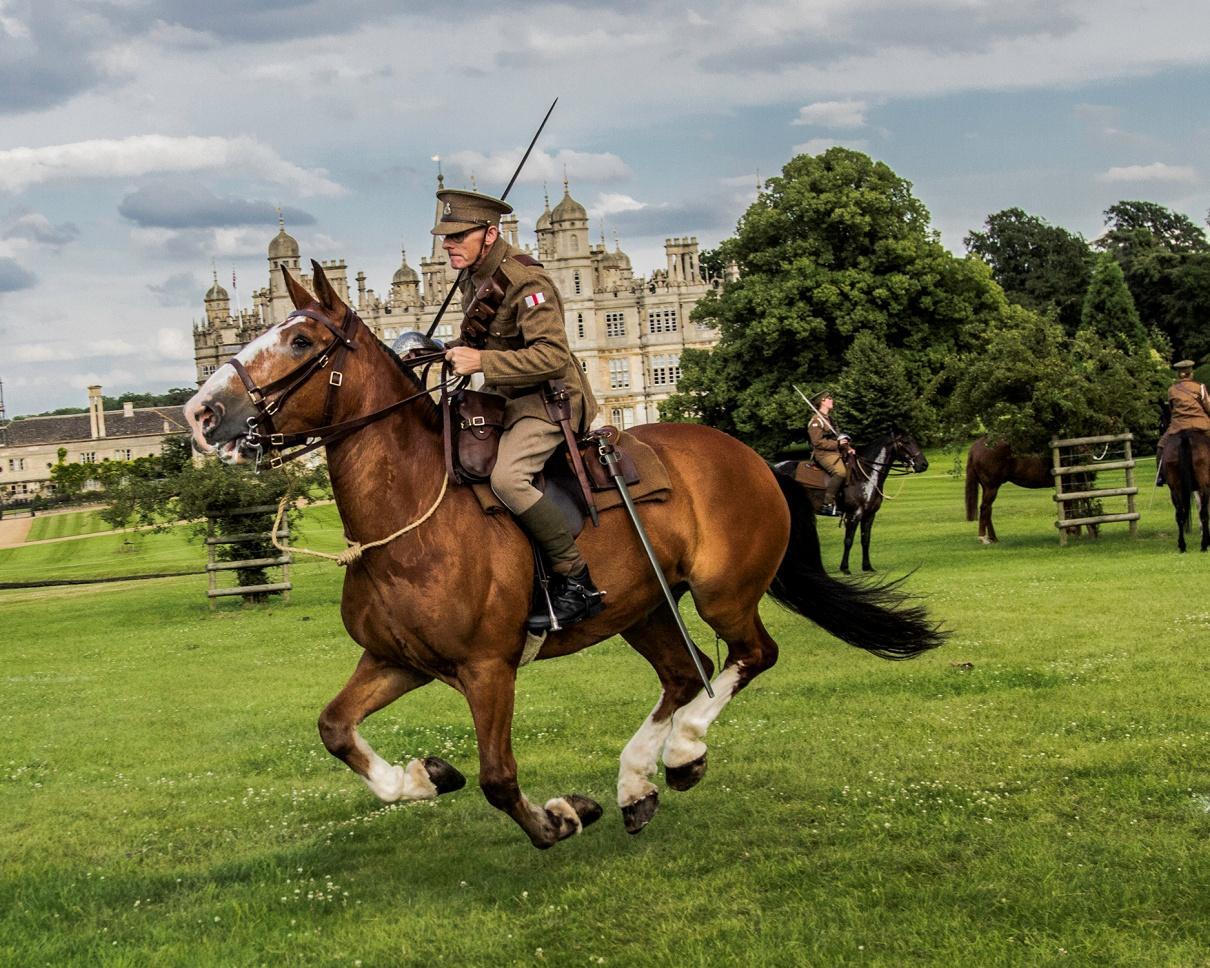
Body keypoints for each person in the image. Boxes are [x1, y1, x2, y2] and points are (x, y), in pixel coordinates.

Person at [435, 188, 603, 631]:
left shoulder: (526, 281)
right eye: (444, 237)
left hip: (551, 400)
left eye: (458, 237)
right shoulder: (472, 276)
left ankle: (575, 579)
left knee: (507, 478)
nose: (448, 245)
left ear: (489, 234)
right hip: (506, 398)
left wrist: (482, 362)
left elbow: (552, 355)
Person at [1156, 359, 1210, 484]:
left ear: (1178, 373)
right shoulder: (1200, 387)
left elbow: (1171, 409)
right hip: (1201, 424)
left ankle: (1161, 476)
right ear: (1191, 373)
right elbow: (1207, 406)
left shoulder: (1172, 390)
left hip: (1177, 426)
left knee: (1161, 447)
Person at [807, 393, 852, 517]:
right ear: (822, 401)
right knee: (840, 472)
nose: (832, 401)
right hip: (823, 454)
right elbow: (817, 442)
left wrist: (848, 448)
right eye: (830, 399)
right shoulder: (816, 421)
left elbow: (838, 437)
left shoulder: (830, 420)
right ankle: (827, 504)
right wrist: (837, 444)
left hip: (836, 452)